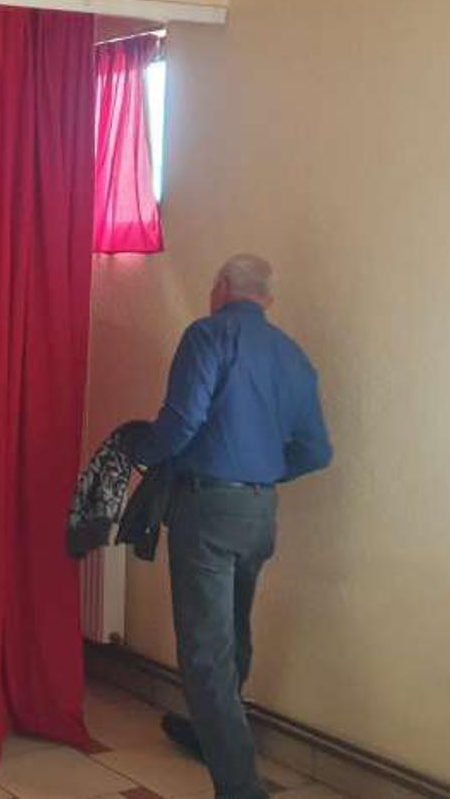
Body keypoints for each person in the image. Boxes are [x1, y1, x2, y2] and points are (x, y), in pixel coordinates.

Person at [129, 254, 332, 799]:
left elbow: (181, 422)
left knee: (205, 650)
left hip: (208, 512)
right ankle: (212, 734)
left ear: (220, 287)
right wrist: (260, 471)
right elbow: (317, 450)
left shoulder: (207, 336)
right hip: (260, 513)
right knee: (233, 632)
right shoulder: (292, 355)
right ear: (267, 298)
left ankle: (240, 787)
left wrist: (138, 449)